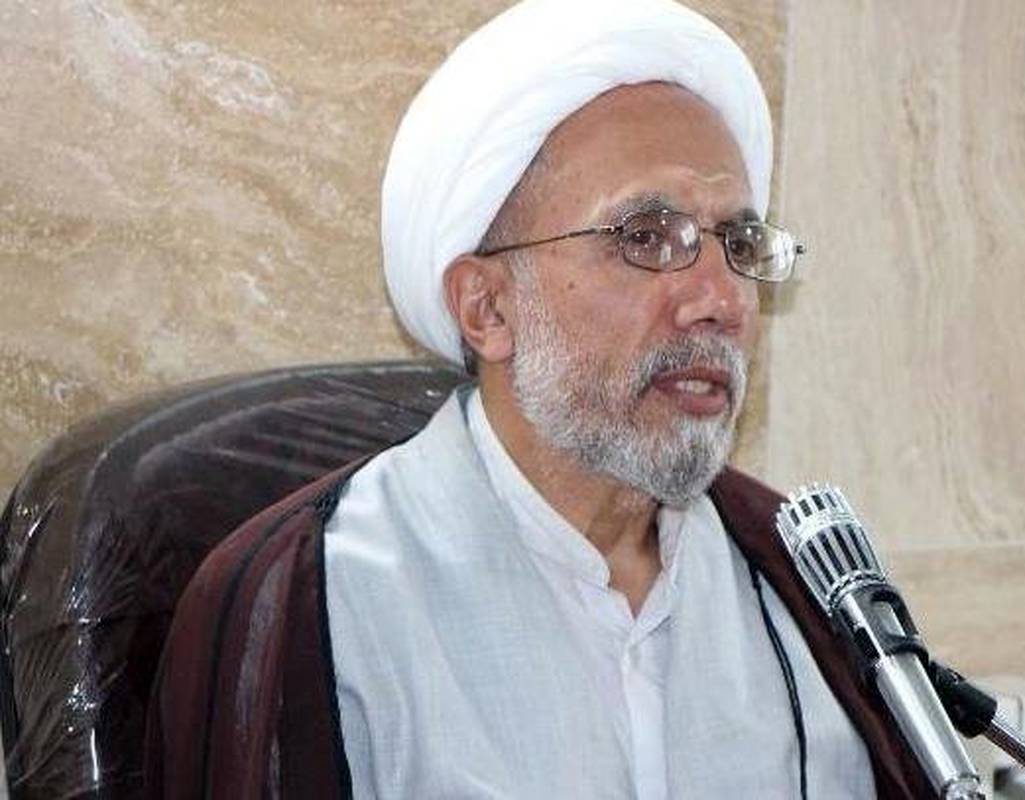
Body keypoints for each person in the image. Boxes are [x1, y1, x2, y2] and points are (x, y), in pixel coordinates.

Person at [146, 1, 927, 797]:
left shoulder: (803, 577)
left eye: (740, 243)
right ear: (487, 308)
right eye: (646, 238)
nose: (721, 300)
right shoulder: (305, 597)